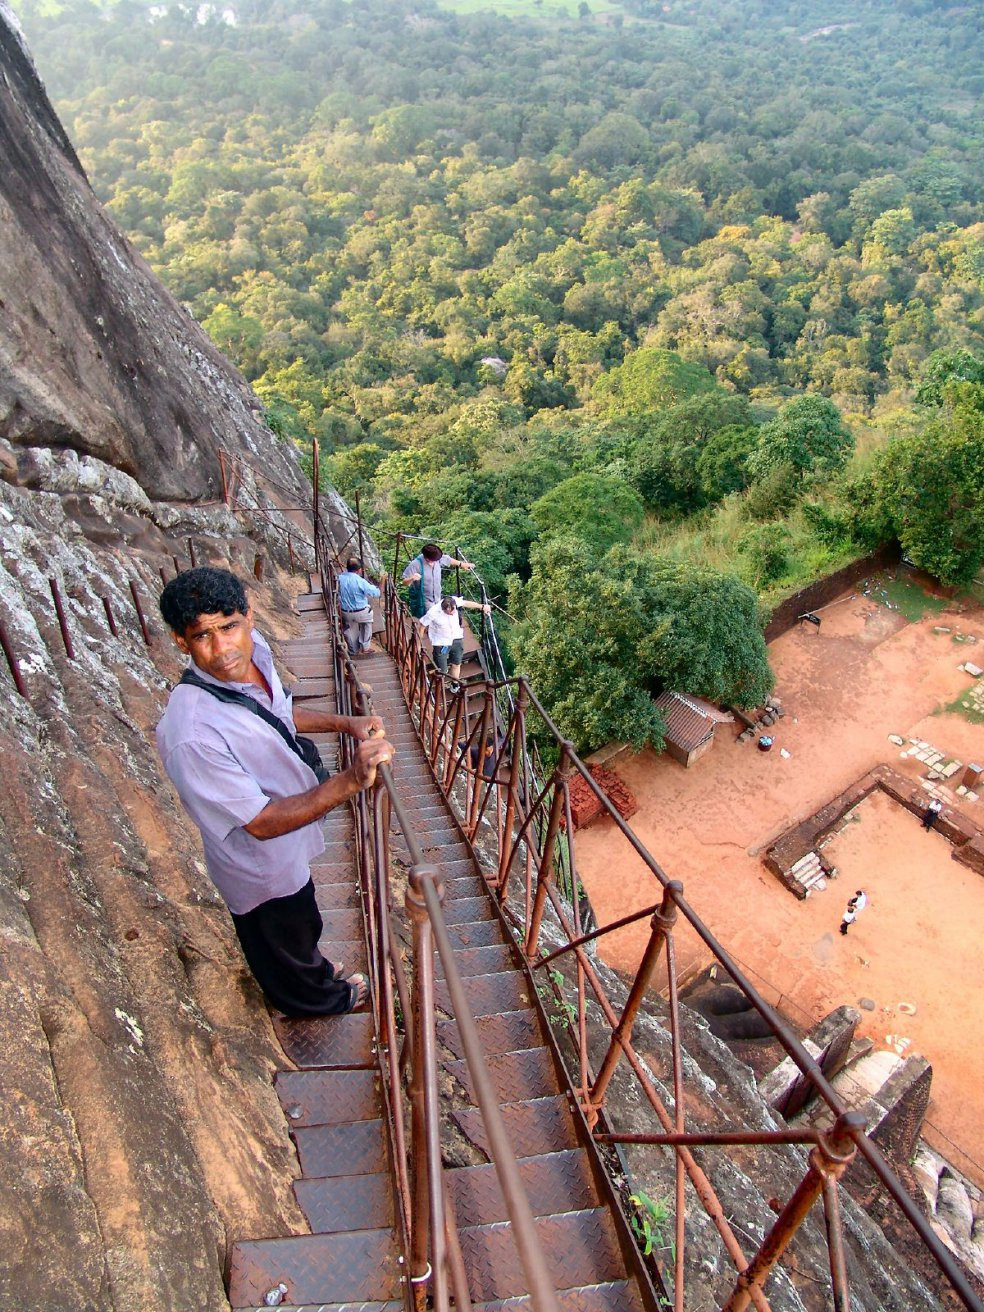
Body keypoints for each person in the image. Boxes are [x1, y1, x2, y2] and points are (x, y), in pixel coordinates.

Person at [156, 567, 393, 1017]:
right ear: (181, 642)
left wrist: (347, 724)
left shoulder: (254, 654)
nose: (223, 648)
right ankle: (322, 999)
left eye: (229, 626)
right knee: (282, 936)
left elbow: (278, 713)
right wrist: (351, 779)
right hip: (258, 865)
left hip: (290, 842)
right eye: (203, 636)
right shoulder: (191, 733)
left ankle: (313, 968)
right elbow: (261, 823)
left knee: (303, 922)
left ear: (249, 616)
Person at [418, 594, 490, 689]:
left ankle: (455, 684)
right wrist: (419, 644)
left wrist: (482, 606)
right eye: (449, 612)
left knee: (456, 663)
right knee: (442, 670)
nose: (452, 613)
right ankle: (434, 682)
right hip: (442, 643)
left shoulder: (454, 601)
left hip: (456, 638)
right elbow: (422, 626)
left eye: (454, 611)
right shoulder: (433, 612)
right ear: (443, 609)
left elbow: (466, 603)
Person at [402, 542, 475, 618]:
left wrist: (462, 564)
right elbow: (404, 582)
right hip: (424, 599)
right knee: (432, 618)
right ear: (426, 558)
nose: (435, 562)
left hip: (437, 597)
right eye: (433, 561)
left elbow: (448, 560)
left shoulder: (436, 558)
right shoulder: (416, 564)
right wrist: (412, 578)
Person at [338, 557, 380, 657]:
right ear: (359, 570)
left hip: (345, 612)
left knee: (348, 627)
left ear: (347, 568)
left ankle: (353, 650)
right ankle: (365, 647)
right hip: (361, 613)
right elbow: (376, 593)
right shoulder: (360, 581)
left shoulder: (339, 578)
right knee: (367, 622)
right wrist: (381, 583)